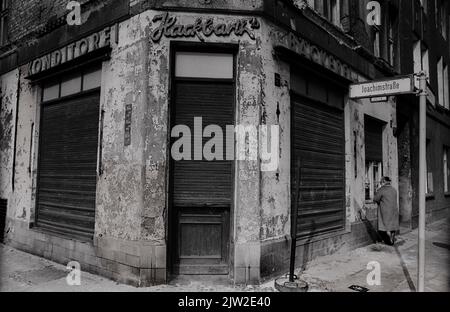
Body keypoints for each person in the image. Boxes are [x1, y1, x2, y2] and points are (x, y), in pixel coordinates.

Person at [373, 177, 399, 246]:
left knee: (386, 225)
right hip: (394, 210)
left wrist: (377, 191)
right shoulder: (394, 189)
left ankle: (389, 237)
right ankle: (392, 234)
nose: (380, 183)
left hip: (385, 211)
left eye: (381, 182)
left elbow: (376, 199)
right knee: (392, 225)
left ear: (384, 182)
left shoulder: (382, 190)